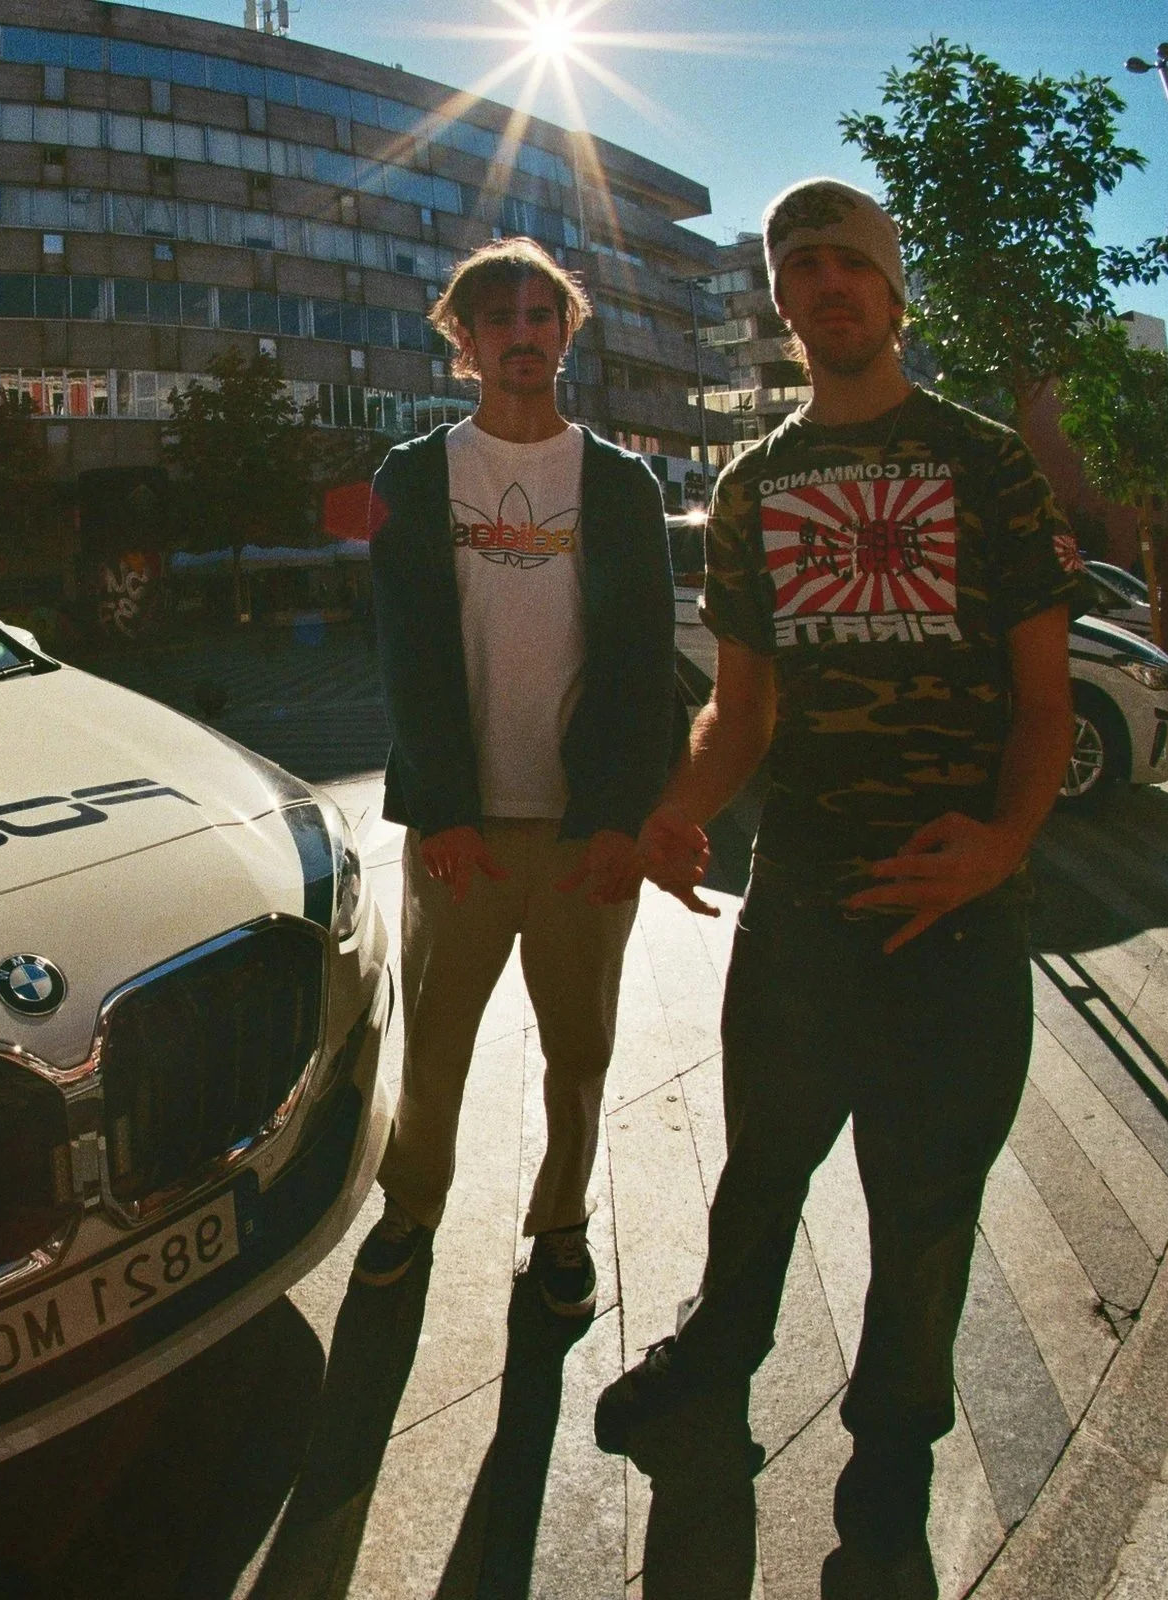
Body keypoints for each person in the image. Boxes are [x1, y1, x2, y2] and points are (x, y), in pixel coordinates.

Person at [590, 178, 1088, 1598]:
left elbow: (1047, 707)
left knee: (926, 1209)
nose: (825, 284)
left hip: (959, 909)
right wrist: (678, 814)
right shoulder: (754, 487)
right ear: (781, 297)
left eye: (849, 261)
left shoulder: (988, 468)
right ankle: (718, 1365)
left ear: (892, 289)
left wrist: (1002, 844)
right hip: (805, 902)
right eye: (798, 265)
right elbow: (739, 713)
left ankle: (894, 1451)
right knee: (761, 1175)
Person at [354, 235, 685, 1318]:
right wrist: (440, 807)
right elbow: (404, 652)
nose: (523, 335)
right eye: (499, 319)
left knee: (578, 1049)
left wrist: (622, 817)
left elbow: (644, 665)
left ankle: (561, 1225)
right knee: (437, 1045)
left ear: (566, 334)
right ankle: (411, 1209)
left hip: (586, 832)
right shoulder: (411, 477)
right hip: (463, 834)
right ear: (464, 340)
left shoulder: (619, 483)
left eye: (542, 317)